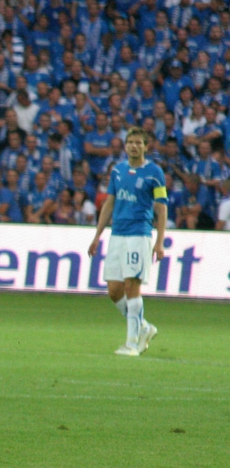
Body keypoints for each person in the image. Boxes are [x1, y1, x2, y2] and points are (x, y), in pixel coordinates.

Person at [88, 126, 167, 357]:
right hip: (117, 234)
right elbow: (109, 203)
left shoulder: (154, 172)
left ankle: (132, 343)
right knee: (114, 290)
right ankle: (144, 327)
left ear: (146, 146)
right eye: (130, 142)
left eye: (138, 142)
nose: (134, 146)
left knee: (132, 286)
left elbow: (161, 209)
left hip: (138, 234)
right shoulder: (117, 171)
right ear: (125, 146)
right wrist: (97, 235)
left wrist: (159, 241)